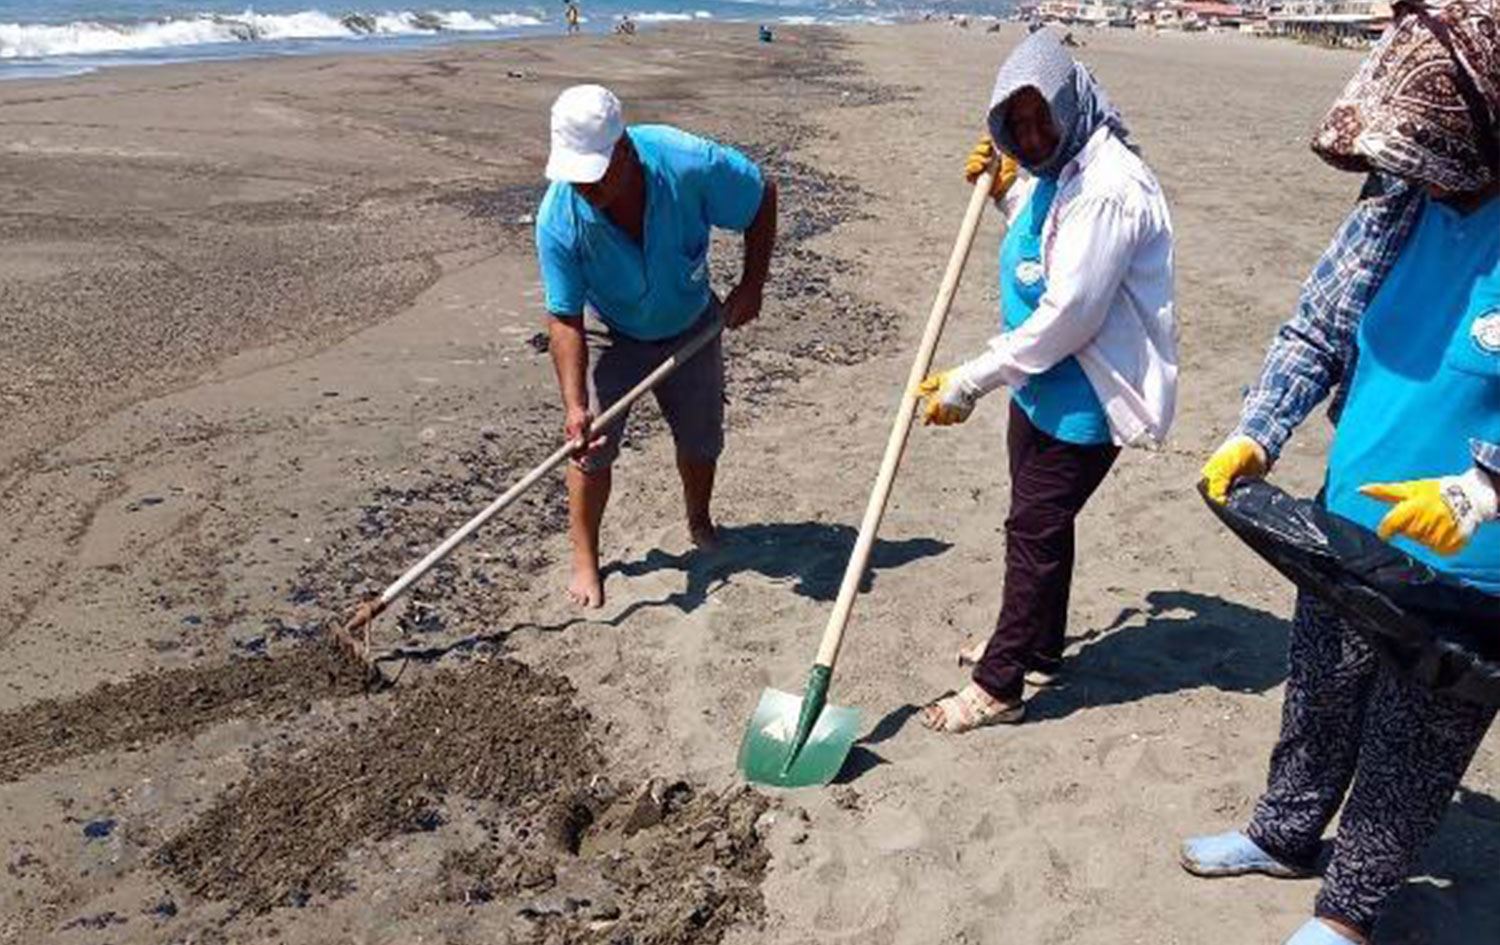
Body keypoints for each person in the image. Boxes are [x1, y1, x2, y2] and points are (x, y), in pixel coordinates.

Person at [1181, 3, 1500, 942]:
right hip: (1350, 521)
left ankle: (1348, 911)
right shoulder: (1401, 199)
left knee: (1417, 735)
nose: (1415, 178)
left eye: (1433, 161)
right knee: (1320, 684)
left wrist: (1483, 488)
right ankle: (1284, 831)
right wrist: (1259, 430)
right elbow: (1319, 324)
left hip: (1471, 560)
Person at [913, 29, 1177, 731]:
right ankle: (1035, 643)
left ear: (1072, 103)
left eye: (1040, 120)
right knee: (1040, 525)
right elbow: (1046, 244)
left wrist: (969, 379)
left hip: (1088, 391)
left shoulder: (1109, 187)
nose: (1030, 137)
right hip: (1041, 387)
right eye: (1014, 125)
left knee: (1033, 525)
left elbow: (1070, 316)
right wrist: (1006, 192)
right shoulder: (1064, 169)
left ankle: (1000, 683)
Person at [534, 85, 778, 608]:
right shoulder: (559, 217)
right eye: (573, 178)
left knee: (701, 435)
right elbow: (564, 318)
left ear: (623, 149)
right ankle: (585, 559)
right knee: (590, 446)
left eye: (593, 177)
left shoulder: (688, 162)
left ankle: (699, 520)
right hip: (609, 329)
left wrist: (752, 283)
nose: (585, 190)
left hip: (691, 322)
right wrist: (575, 406)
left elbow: (762, 195)